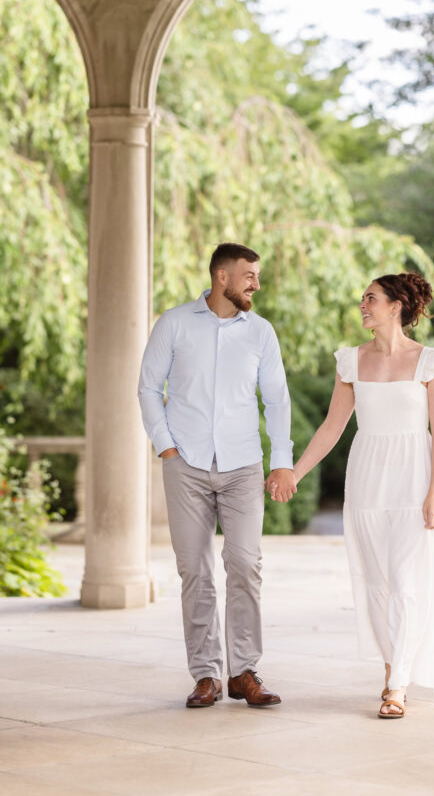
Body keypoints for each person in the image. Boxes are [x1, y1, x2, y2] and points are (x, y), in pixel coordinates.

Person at [283, 271, 434, 719]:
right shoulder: (350, 362)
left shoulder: (429, 362)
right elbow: (332, 428)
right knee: (378, 581)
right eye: (363, 299)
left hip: (413, 479)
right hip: (367, 479)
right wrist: (295, 473)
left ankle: (398, 685)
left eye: (371, 299)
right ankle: (392, 667)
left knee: (407, 581)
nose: (363, 305)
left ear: (395, 306)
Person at [138, 242, 297, 709]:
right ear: (221, 277)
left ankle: (244, 671)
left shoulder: (261, 333)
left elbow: (277, 399)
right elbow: (149, 386)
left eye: (257, 276)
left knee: (245, 565)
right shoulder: (173, 323)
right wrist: (164, 444)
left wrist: (281, 459)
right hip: (184, 462)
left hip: (242, 465)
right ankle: (206, 674)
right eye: (249, 275)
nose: (256, 283)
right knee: (195, 571)